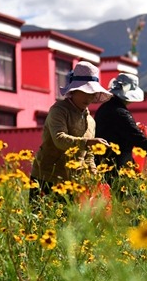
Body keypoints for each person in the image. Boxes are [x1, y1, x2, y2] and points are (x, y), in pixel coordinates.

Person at [30, 61, 112, 206]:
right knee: (43, 222)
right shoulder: (59, 110)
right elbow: (59, 139)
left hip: (73, 182)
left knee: (67, 226)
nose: (89, 97)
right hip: (47, 176)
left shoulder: (91, 121)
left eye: (92, 93)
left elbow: (89, 154)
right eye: (85, 92)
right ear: (74, 91)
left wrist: (94, 174)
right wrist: (87, 142)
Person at [94, 72, 147, 188]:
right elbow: (141, 141)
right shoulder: (121, 113)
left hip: (104, 165)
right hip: (119, 169)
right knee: (132, 202)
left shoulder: (104, 108)